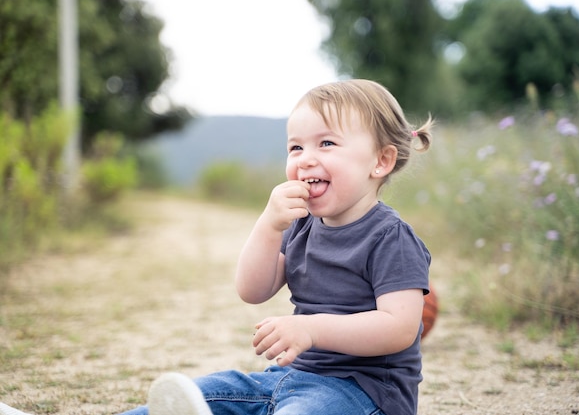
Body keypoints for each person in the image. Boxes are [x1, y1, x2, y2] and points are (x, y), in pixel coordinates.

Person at [0, 78, 433, 415]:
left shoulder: (390, 237)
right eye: (295, 146)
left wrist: (312, 329)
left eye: (327, 143)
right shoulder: (301, 226)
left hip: (362, 394)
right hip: (286, 380)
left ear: (381, 161)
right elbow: (252, 288)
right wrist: (268, 224)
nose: (305, 157)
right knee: (206, 392)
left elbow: (398, 328)